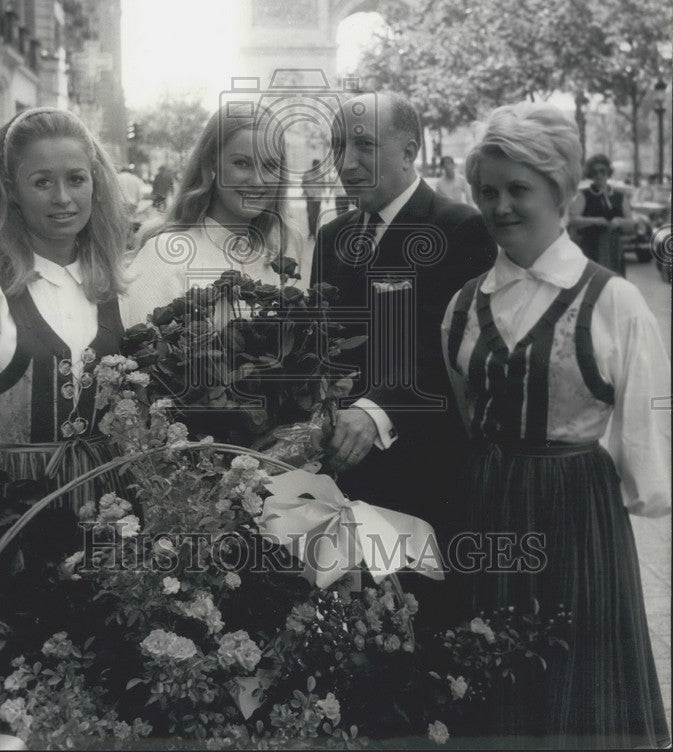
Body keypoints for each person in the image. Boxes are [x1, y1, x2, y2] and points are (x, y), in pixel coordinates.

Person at [442, 103, 670, 749]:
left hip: (574, 518)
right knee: (489, 680)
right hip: (485, 508)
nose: (500, 206)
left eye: (519, 189)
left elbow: (644, 446)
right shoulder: (462, 306)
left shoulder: (614, 302)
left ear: (561, 190)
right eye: (487, 191)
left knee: (575, 684)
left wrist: (638, 491)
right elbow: (467, 414)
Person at [0, 107, 131, 655]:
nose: (63, 198)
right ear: (12, 190)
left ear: (96, 184)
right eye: (42, 182)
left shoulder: (110, 281)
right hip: (13, 523)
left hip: (103, 513)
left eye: (76, 179)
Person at [310, 92, 497, 534]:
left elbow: (457, 350)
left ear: (410, 151)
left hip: (423, 476)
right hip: (339, 477)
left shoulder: (461, 229)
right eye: (337, 146)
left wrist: (376, 411)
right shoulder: (331, 236)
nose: (346, 162)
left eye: (364, 146)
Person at [124, 105, 303, 328]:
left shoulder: (278, 253)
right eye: (242, 163)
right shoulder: (164, 254)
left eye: (270, 166)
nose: (258, 180)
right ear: (211, 164)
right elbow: (140, 351)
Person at [568, 153, 634, 276]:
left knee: (615, 284)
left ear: (608, 172)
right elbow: (572, 220)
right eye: (594, 172)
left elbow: (631, 223)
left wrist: (619, 222)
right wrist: (595, 220)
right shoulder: (584, 195)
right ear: (590, 174)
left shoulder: (620, 196)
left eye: (602, 171)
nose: (599, 175)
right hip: (590, 249)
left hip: (614, 249)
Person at [301, 158, 323, 238]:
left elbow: (323, 185)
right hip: (310, 198)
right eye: (316, 165)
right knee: (310, 215)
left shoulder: (321, 174)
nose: (317, 167)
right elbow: (302, 184)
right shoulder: (307, 174)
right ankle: (311, 232)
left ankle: (315, 232)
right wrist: (308, 191)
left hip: (318, 198)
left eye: (319, 165)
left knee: (316, 215)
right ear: (313, 165)